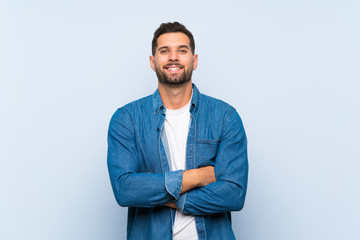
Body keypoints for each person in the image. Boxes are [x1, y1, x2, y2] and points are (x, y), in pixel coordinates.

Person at [107, 22, 248, 240]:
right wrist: (197, 177)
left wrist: (159, 192)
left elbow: (234, 194)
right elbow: (125, 190)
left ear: (195, 60)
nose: (174, 57)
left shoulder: (225, 117)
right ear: (153, 62)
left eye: (182, 50)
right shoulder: (127, 119)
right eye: (165, 51)